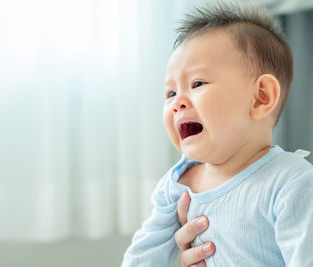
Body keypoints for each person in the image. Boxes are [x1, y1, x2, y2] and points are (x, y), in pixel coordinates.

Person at [121, 1, 313, 266]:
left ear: (260, 97)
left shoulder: (291, 183)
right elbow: (143, 256)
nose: (177, 102)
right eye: (170, 93)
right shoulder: (178, 183)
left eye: (197, 83)